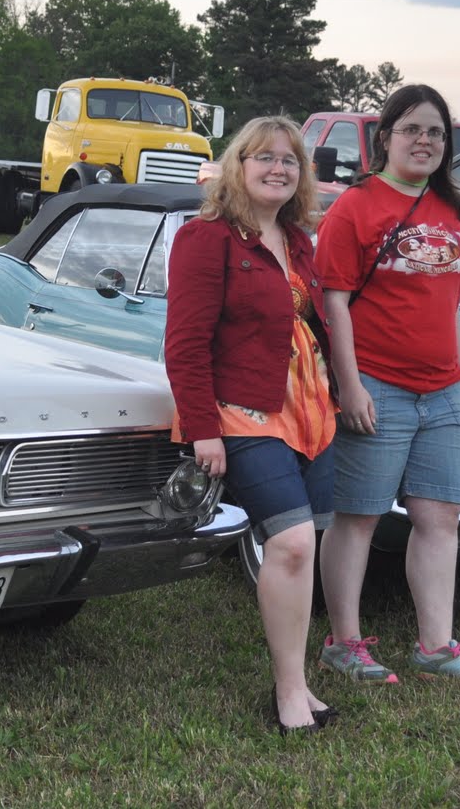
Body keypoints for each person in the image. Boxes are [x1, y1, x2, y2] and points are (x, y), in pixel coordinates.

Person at [315, 84, 460, 686]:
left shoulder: (450, 208)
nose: (424, 141)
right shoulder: (356, 206)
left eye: (435, 132)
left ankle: (436, 646)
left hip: (444, 393)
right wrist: (350, 387)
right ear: (386, 140)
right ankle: (344, 642)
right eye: (411, 130)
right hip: (378, 384)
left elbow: (448, 304)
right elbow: (334, 304)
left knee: (439, 516)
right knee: (360, 516)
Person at [164, 115, 340, 734]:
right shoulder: (205, 238)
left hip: (311, 413)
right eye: (263, 157)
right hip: (242, 410)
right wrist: (201, 426)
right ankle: (288, 693)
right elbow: (184, 345)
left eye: (290, 161)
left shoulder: (298, 242)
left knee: (307, 545)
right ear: (238, 166)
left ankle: (300, 681)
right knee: (290, 543)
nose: (277, 169)